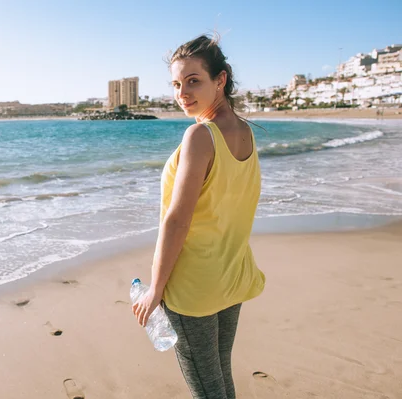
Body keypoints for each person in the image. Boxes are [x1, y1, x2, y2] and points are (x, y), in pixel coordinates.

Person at [131, 34, 266, 399]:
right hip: (231, 276)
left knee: (207, 388)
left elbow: (177, 221)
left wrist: (156, 290)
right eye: (177, 83)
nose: (182, 93)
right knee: (220, 374)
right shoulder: (245, 134)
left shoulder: (200, 136)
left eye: (194, 81)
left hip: (195, 286)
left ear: (220, 80)